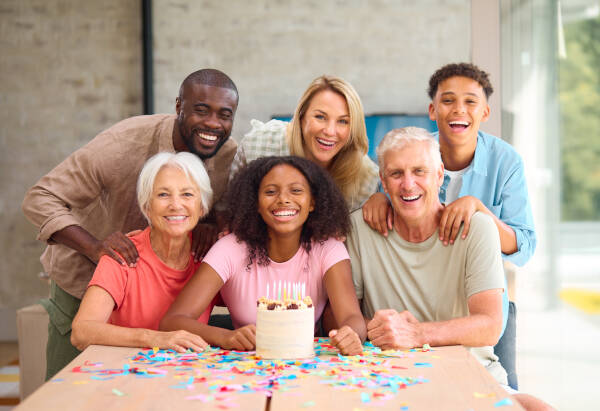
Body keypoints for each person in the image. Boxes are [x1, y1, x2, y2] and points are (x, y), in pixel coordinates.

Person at [22, 68, 238, 379]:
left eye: (224, 114)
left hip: (166, 286)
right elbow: (40, 197)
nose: (213, 124)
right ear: (179, 107)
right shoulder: (123, 144)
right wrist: (94, 247)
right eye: (201, 110)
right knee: (69, 386)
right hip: (91, 275)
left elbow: (218, 207)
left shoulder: (227, 155)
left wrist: (209, 221)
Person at [348, 128, 553, 411]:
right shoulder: (360, 229)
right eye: (396, 174)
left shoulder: (478, 228)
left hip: (473, 375)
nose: (408, 184)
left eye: (420, 171)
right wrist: (374, 330)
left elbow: (490, 326)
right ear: (382, 181)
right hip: (392, 380)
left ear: (440, 175)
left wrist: (417, 334)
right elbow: (347, 315)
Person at [362, 63, 536, 389]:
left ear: (485, 111)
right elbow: (393, 195)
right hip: (417, 305)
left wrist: (479, 209)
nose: (459, 109)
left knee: (503, 387)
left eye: (470, 101)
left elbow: (524, 248)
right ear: (432, 109)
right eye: (448, 100)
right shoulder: (411, 151)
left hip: (478, 308)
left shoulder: (506, 161)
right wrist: (377, 199)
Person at [160, 156, 366, 355]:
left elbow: (351, 317)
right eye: (270, 191)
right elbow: (172, 321)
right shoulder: (230, 249)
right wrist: (225, 337)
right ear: (255, 203)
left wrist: (351, 334)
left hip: (306, 368)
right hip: (244, 369)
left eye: (296, 191)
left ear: (312, 202)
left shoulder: (328, 249)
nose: (283, 199)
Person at [71, 152, 213, 352]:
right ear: (147, 207)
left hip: (187, 376)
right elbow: (81, 332)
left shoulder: (211, 257)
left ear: (202, 208)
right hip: (124, 373)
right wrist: (154, 338)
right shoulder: (122, 253)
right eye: (163, 194)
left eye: (187, 194)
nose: (175, 205)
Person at [229, 75, 379, 211]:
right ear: (301, 117)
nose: (330, 131)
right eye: (320, 117)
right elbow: (228, 208)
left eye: (343, 121)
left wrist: (380, 200)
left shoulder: (365, 177)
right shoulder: (261, 144)